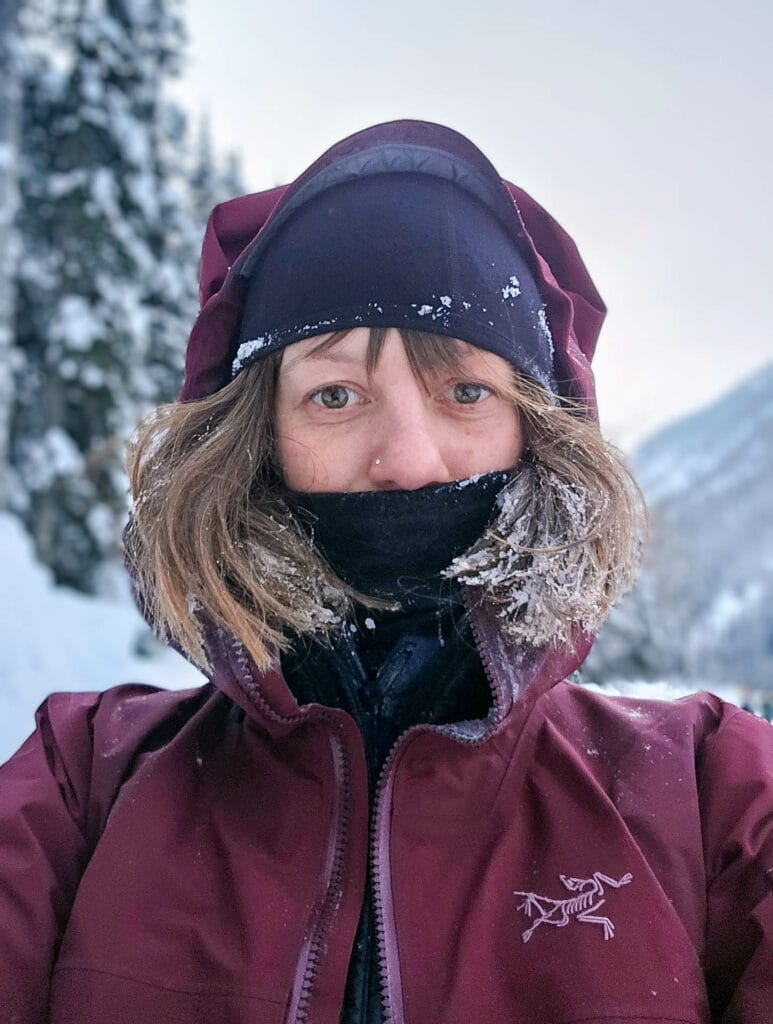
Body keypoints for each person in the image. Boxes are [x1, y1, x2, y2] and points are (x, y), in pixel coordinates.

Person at [0, 119, 770, 1024]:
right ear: (256, 444)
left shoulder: (711, 792)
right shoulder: (83, 785)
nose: (407, 460)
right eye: (335, 395)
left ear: (540, 432)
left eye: (466, 391)